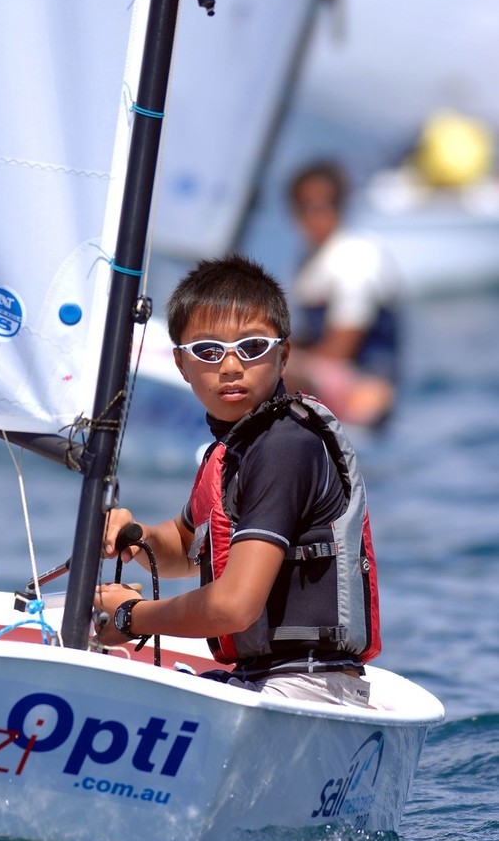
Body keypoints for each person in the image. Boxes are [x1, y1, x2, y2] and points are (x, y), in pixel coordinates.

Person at [94, 255, 381, 709]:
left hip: (306, 690)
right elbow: (183, 546)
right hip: (259, 679)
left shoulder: (284, 447)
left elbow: (235, 606)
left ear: (283, 355)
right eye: (208, 351)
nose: (230, 366)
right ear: (181, 365)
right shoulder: (231, 452)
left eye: (251, 348)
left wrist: (133, 617)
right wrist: (136, 537)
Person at [283, 161, 402, 428]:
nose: (315, 215)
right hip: (328, 380)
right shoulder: (309, 261)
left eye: (325, 204)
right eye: (305, 206)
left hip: (365, 392)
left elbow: (340, 348)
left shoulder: (355, 257)